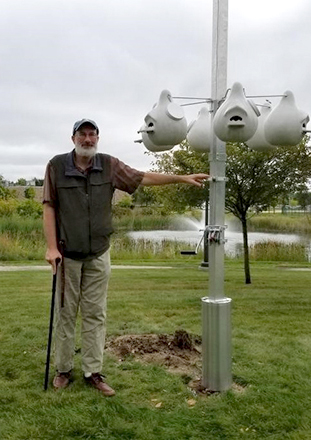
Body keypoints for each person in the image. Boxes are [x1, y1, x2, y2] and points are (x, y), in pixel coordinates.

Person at [43, 118, 209, 396]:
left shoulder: (109, 164)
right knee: (65, 314)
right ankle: (63, 369)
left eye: (93, 135)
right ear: (73, 138)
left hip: (98, 255)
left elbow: (142, 177)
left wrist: (180, 177)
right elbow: (49, 207)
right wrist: (51, 248)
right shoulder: (56, 166)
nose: (88, 139)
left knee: (96, 314)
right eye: (82, 134)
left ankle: (93, 372)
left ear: (97, 139)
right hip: (67, 255)